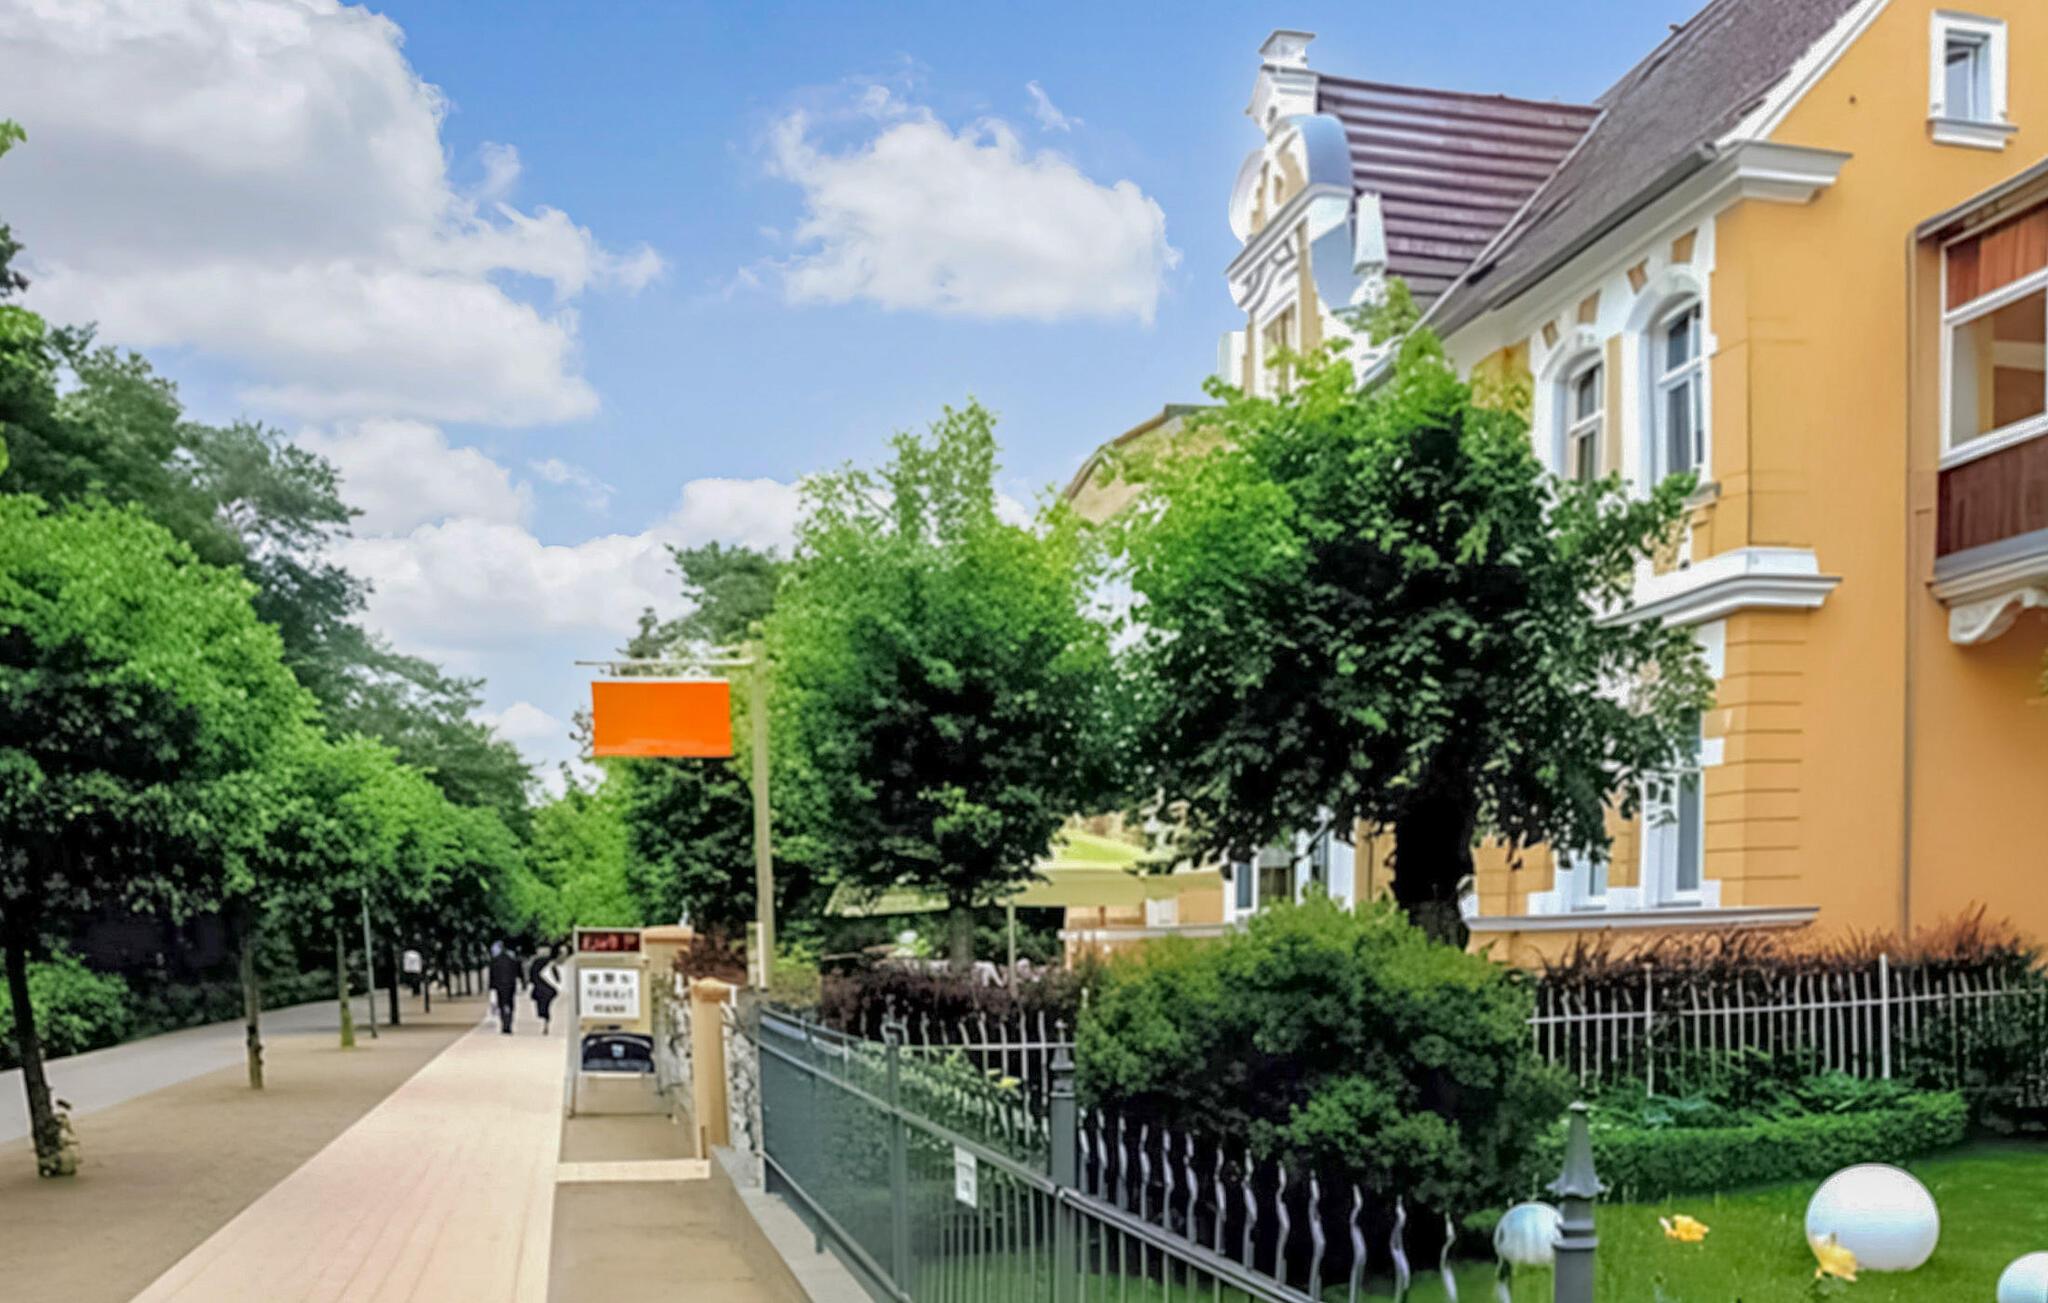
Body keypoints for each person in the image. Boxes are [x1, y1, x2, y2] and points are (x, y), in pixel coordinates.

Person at [487, 940, 522, 1034]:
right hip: (510, 985)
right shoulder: (512, 960)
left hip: (499, 986)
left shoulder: (495, 960)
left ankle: (504, 1023)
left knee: (501, 1004)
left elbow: (492, 975)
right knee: (510, 1004)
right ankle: (509, 1023)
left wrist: (491, 987)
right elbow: (518, 973)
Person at [528, 944, 563, 1035]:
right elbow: (557, 976)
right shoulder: (550, 962)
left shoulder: (536, 962)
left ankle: (544, 1021)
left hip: (539, 988)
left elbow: (531, 976)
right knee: (546, 1006)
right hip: (549, 989)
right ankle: (546, 1022)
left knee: (542, 1006)